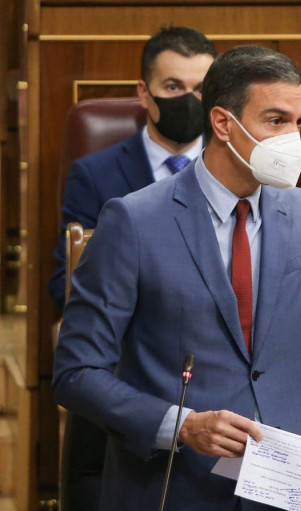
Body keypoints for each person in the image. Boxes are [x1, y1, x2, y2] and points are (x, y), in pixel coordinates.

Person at [52, 45, 301, 511]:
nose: (292, 140)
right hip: (174, 501)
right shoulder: (133, 222)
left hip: (287, 504)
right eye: (276, 120)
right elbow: (76, 373)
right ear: (222, 123)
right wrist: (182, 425)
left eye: (298, 122)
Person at [49, 25, 217, 310]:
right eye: (173, 87)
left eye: (200, 89)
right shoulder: (94, 175)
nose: (189, 101)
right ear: (144, 92)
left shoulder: (234, 171)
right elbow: (66, 281)